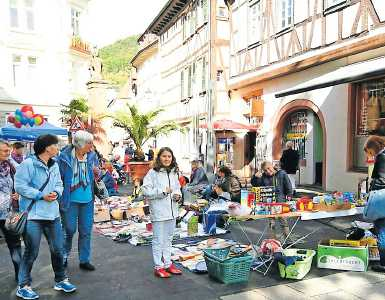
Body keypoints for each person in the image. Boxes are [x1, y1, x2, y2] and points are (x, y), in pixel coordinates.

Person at [15, 134, 76, 300]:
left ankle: (61, 279)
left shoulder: (55, 165)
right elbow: (20, 186)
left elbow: (59, 184)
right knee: (31, 251)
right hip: (33, 215)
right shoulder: (28, 164)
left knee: (58, 249)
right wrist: (41, 195)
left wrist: (56, 192)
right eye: (55, 145)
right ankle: (23, 285)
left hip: (52, 214)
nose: (58, 148)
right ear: (47, 147)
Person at [57, 130, 98, 271]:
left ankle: (84, 259)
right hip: (70, 200)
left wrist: (96, 172)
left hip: (87, 199)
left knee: (86, 230)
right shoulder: (64, 157)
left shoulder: (92, 156)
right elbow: (58, 178)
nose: (91, 146)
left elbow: (95, 173)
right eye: (89, 143)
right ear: (79, 144)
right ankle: (63, 256)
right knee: (69, 230)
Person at [142, 147, 183, 278]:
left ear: (172, 158)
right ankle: (158, 266)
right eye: (164, 156)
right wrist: (162, 192)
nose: (167, 159)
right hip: (159, 212)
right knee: (158, 240)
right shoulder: (152, 173)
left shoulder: (174, 172)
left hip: (172, 212)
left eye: (169, 156)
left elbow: (177, 189)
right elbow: (146, 191)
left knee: (169, 239)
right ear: (159, 157)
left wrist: (178, 196)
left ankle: (168, 264)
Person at [251, 161, 293, 241]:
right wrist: (255, 177)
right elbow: (255, 184)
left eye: (268, 168)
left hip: (280, 202)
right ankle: (273, 241)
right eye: (265, 170)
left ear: (272, 166)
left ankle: (288, 241)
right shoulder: (263, 176)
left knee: (284, 222)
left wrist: (289, 195)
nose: (267, 171)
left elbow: (288, 185)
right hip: (269, 203)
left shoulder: (281, 173)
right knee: (271, 223)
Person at [0, 140, 22, 282]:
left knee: (15, 245)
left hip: (9, 213)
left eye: (8, 151)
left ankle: (20, 275)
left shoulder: (11, 165)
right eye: (4, 151)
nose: (8, 154)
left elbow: (21, 181)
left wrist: (18, 193)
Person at [364, 135, 385, 272]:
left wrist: (371, 191)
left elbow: (382, 179)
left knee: (382, 230)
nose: (371, 156)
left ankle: (383, 263)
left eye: (371, 152)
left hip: (382, 199)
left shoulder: (382, 156)